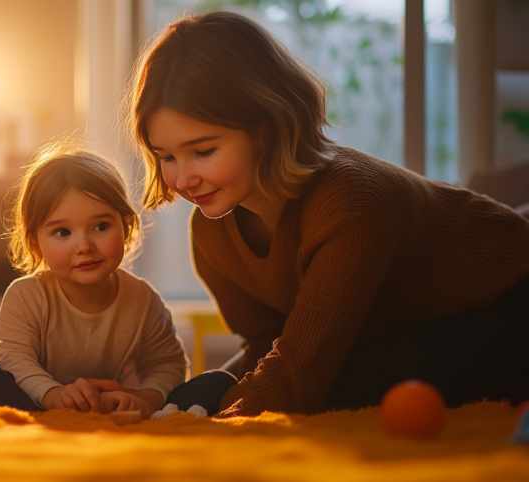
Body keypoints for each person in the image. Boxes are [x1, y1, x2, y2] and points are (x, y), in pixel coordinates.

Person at [126, 11, 529, 416]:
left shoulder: (350, 202)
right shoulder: (212, 232)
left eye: (203, 151)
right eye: (167, 157)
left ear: (266, 127)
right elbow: (268, 344)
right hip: (398, 329)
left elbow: (295, 377)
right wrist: (172, 408)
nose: (183, 178)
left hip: (508, 302)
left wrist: (207, 425)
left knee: (341, 381)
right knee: (217, 385)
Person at [0, 141, 235, 418]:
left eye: (100, 226)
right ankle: (41, 418)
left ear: (126, 226)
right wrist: (53, 395)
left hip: (117, 408)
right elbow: (15, 361)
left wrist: (143, 399)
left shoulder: (142, 299)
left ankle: (154, 418)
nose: (84, 245)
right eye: (63, 233)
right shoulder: (26, 296)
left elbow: (167, 364)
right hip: (38, 403)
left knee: (220, 383)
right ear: (36, 244)